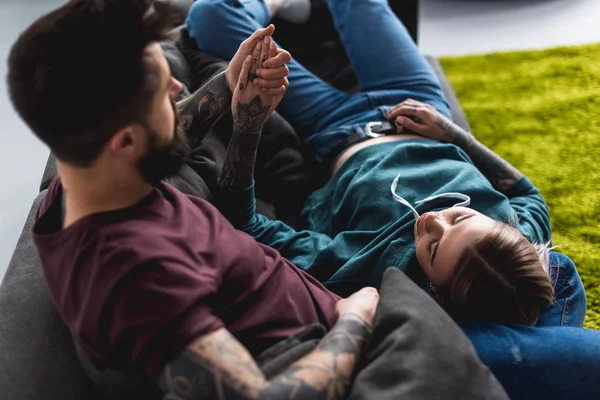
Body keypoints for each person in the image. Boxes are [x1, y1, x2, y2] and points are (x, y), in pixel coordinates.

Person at [185, 0, 600, 397]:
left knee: (210, 16)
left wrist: (248, 124)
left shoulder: (368, 268)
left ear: (435, 293)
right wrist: (454, 135)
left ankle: (275, 6)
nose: (431, 220)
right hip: (417, 102)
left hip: (333, 128)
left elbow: (248, 225)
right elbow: (527, 193)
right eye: (459, 217)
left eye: (433, 248)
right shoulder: (515, 230)